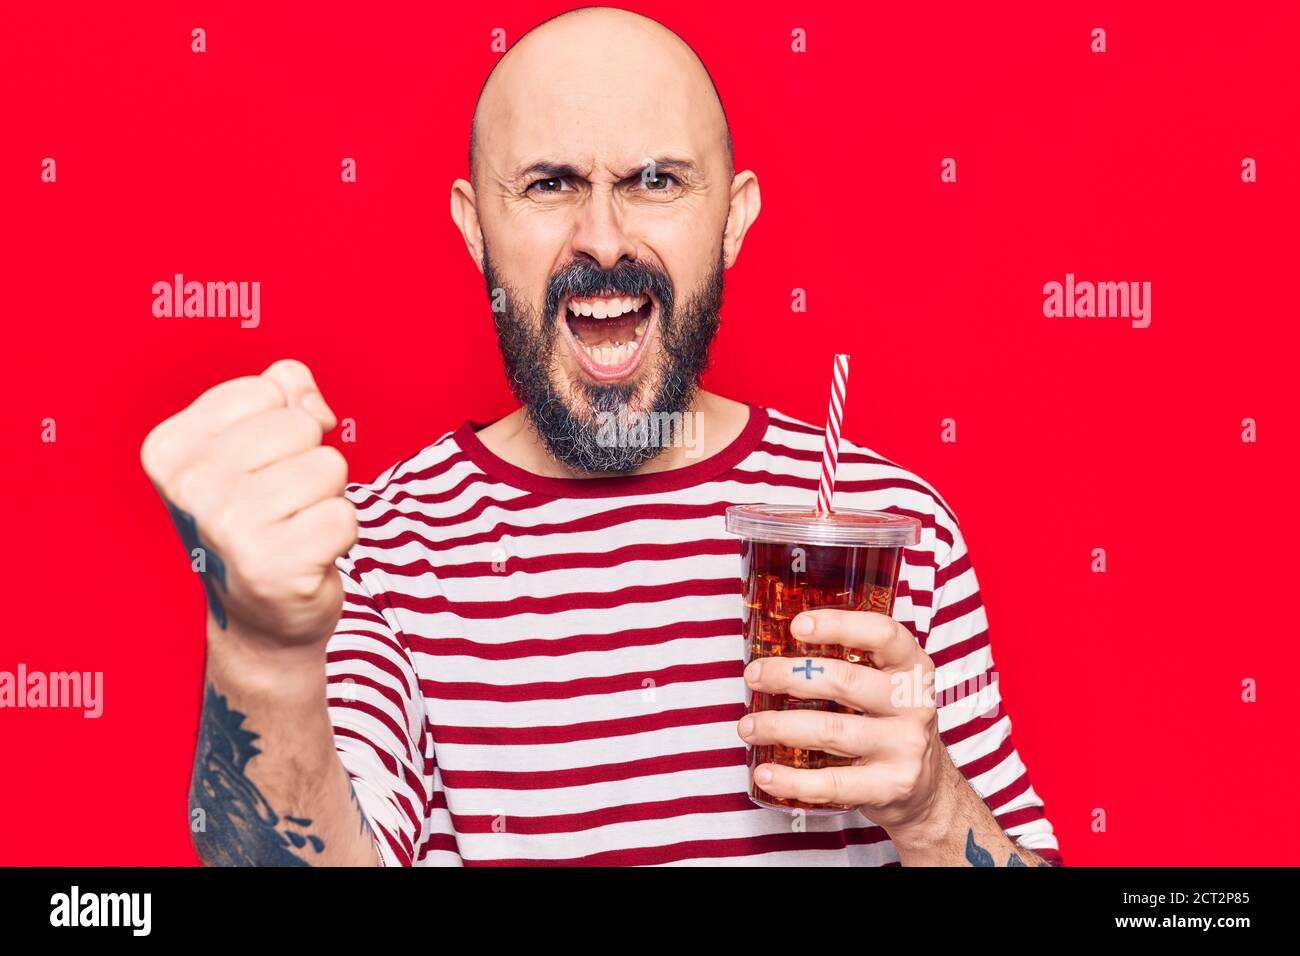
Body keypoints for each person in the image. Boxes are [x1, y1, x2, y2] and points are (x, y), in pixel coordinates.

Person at [141, 6, 1060, 866]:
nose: (605, 239)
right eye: (550, 184)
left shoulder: (888, 531)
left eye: (656, 181)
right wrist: (262, 654)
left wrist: (931, 807)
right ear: (475, 227)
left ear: (733, 220)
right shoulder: (379, 552)